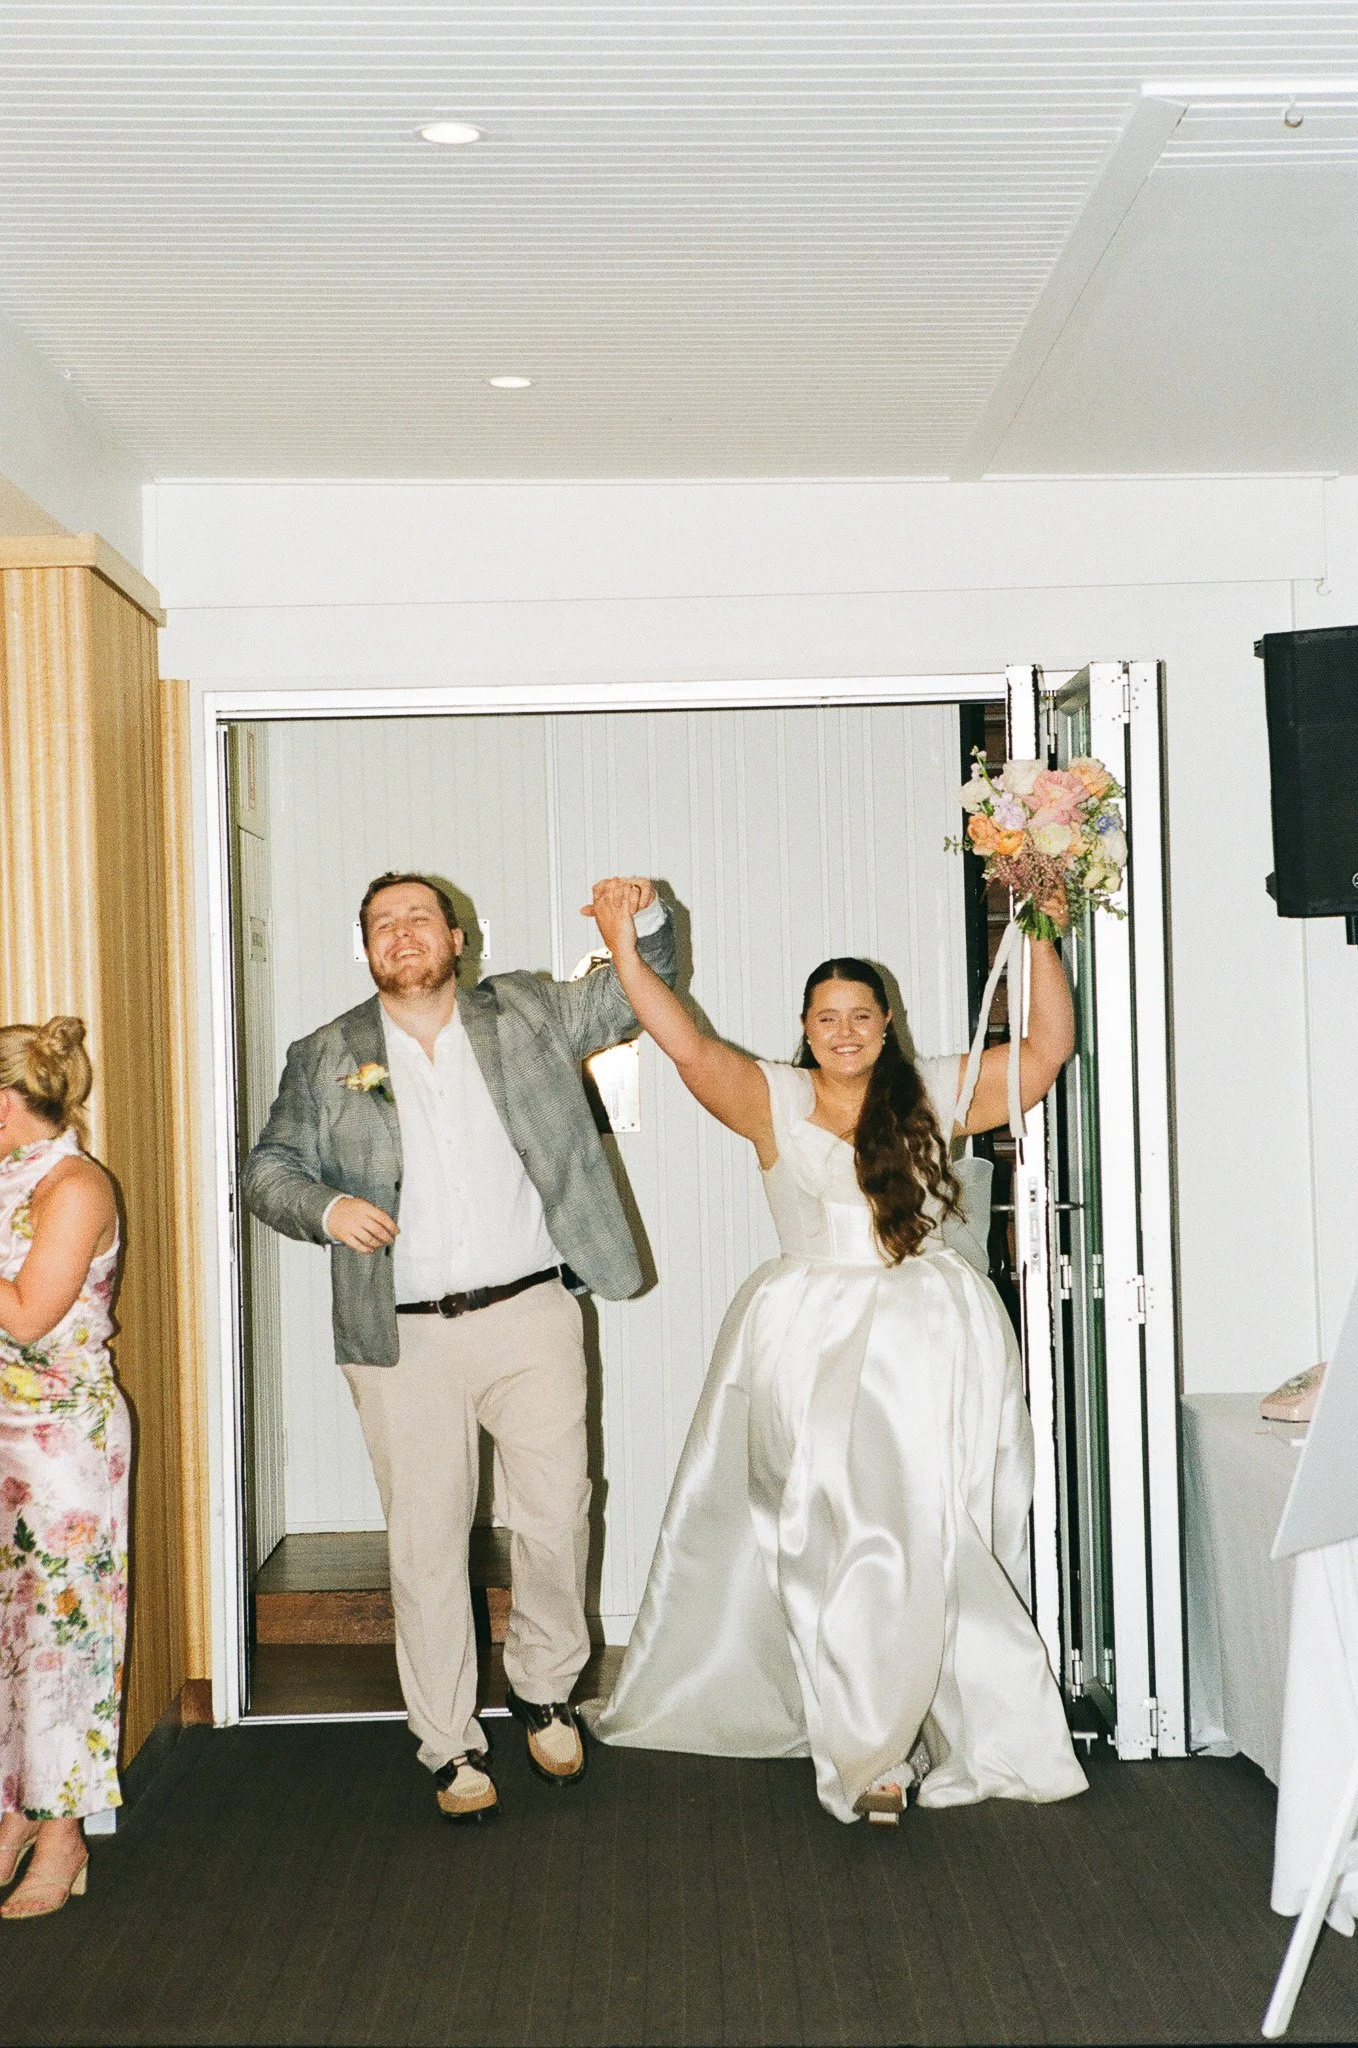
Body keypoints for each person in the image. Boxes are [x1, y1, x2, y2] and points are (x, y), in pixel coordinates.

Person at [582, 880, 1088, 1823]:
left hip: (929, 1342)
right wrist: (622, 944)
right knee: (835, 1544)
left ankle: (913, 1738)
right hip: (807, 1340)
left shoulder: (937, 1086)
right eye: (827, 1017)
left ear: (886, 1021)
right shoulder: (769, 1097)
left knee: (932, 1540)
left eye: (861, 1014)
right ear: (805, 1028)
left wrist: (1039, 928)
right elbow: (684, 1041)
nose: (845, 1030)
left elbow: (1049, 1050)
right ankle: (868, 1750)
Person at [243, 871, 676, 1822]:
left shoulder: (525, 1010)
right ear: (367, 951)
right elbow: (267, 1172)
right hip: (400, 1338)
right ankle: (448, 1743)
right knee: (427, 1542)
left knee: (557, 1511)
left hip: (530, 1313)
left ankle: (544, 1686)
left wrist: (638, 917)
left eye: (418, 919)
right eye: (382, 925)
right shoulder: (326, 1055)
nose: (402, 935)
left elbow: (644, 985)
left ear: (456, 936)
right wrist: (326, 1206)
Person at [0, 1017, 127, 1916]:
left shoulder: (76, 1185)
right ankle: (14, 1812)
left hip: (61, 1445)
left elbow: (29, 1316)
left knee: (62, 1644)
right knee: (7, 1642)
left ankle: (65, 1834)